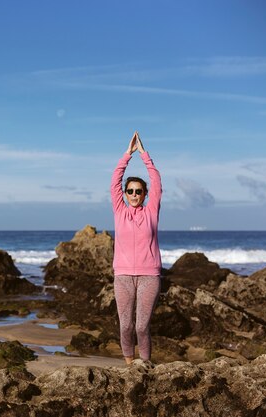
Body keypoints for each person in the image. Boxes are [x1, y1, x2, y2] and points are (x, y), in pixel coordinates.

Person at [110, 131, 162, 365]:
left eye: (138, 191)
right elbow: (114, 180)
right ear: (125, 194)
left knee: (142, 326)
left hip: (149, 276)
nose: (133, 194)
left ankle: (146, 365)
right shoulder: (119, 211)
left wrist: (144, 154)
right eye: (129, 191)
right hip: (122, 276)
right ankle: (130, 365)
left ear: (145, 195)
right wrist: (127, 155)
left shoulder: (151, 212)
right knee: (126, 325)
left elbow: (157, 182)